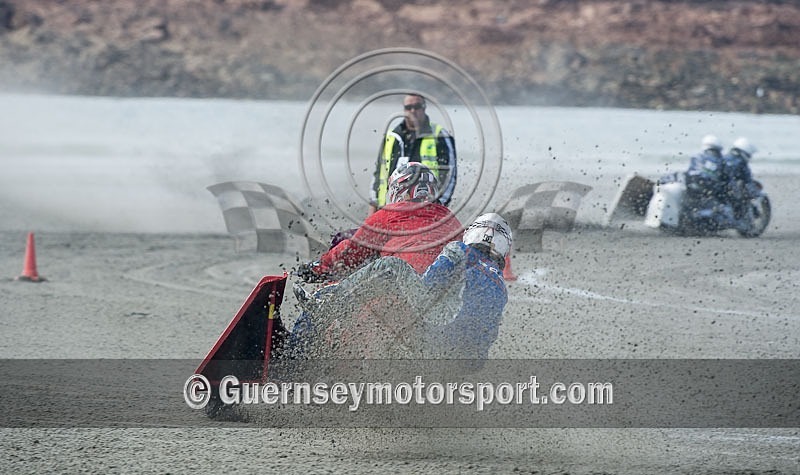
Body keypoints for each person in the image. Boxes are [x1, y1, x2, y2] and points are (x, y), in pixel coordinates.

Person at [282, 212, 512, 363]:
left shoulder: (460, 251)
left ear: (474, 232)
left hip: (436, 334)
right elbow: (486, 332)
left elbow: (429, 288)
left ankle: (327, 306)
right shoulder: (501, 286)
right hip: (468, 360)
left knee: (393, 267)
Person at [304, 162, 463, 280]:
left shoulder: (390, 214)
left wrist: (319, 267)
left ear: (398, 190)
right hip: (444, 287)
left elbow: (352, 250)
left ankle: (324, 303)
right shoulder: (451, 219)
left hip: (403, 282)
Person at [369, 94, 457, 215]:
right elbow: (379, 175)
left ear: (424, 108)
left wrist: (438, 207)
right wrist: (373, 209)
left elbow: (450, 177)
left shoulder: (440, 136)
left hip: (427, 212)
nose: (413, 111)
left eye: (417, 107)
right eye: (408, 107)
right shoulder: (391, 136)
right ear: (404, 110)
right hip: (388, 211)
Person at [723, 137, 759, 230]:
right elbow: (748, 180)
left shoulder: (724, 157)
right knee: (739, 199)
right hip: (728, 189)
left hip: (717, 188)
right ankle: (740, 221)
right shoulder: (741, 162)